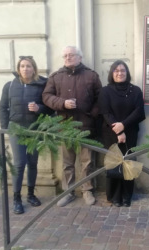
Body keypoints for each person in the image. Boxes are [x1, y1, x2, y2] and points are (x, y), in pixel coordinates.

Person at [42, 46, 102, 207]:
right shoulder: (56, 77)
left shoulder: (91, 76)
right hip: (65, 127)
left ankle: (87, 190)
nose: (68, 58)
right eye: (65, 56)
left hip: (86, 126)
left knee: (87, 162)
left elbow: (100, 98)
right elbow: (46, 96)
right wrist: (62, 103)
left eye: (71, 55)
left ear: (80, 58)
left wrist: (91, 114)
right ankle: (68, 191)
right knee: (67, 163)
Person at [0, 56, 53, 214]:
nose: (25, 69)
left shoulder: (42, 85)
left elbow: (50, 108)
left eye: (28, 66)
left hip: (34, 128)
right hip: (16, 128)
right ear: (18, 69)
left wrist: (39, 108)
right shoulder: (9, 86)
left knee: (32, 162)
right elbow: (2, 107)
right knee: (19, 163)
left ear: (34, 69)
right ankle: (16, 198)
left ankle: (30, 194)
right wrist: (5, 128)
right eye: (22, 66)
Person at [98, 60, 145, 207]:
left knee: (128, 163)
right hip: (111, 133)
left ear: (127, 73)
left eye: (123, 70)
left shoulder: (136, 90)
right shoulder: (105, 91)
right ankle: (114, 196)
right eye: (116, 70)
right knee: (114, 164)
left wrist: (123, 126)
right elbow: (105, 112)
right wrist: (118, 131)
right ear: (112, 73)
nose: (120, 73)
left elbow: (139, 112)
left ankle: (127, 195)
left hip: (130, 132)